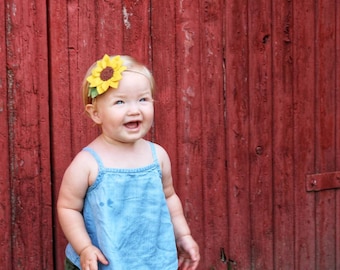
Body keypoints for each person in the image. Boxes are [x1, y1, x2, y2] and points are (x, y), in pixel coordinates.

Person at [57, 54, 200, 270]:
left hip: (153, 259)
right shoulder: (88, 163)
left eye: (143, 99)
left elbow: (169, 197)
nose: (134, 110)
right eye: (120, 102)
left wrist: (183, 235)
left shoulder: (157, 156)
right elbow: (68, 207)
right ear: (96, 113)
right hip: (104, 261)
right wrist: (84, 247)